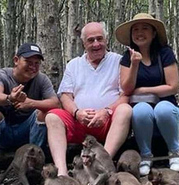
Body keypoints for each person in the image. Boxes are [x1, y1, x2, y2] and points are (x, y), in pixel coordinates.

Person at [45, 22, 132, 176]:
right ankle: (62, 173)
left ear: (106, 40)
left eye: (100, 39)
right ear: (83, 43)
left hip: (108, 122)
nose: (96, 44)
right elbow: (65, 96)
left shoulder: (119, 61)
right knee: (52, 116)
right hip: (79, 122)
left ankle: (103, 162)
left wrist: (106, 111)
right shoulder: (74, 64)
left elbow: (125, 95)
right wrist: (76, 112)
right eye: (91, 40)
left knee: (125, 110)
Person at [0, 43, 60, 185]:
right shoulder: (0, 75)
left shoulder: (41, 80)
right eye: (28, 62)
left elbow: (55, 102)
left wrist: (30, 103)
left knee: (44, 112)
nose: (33, 67)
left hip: (27, 134)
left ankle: (34, 166)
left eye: (36, 63)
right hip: (4, 132)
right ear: (16, 60)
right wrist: (10, 98)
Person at [116, 13, 179, 176]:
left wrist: (145, 90)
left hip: (169, 114)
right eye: (136, 30)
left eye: (145, 28)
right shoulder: (127, 57)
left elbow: (173, 87)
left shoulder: (165, 53)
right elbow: (127, 89)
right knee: (140, 109)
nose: (140, 33)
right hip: (142, 120)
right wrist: (134, 64)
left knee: (162, 109)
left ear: (154, 33)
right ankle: (146, 155)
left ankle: (175, 153)